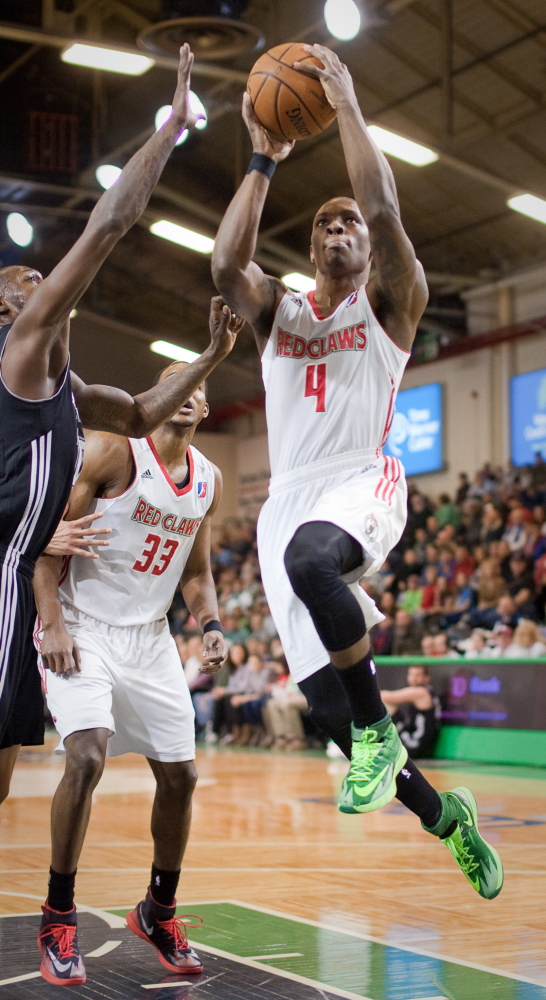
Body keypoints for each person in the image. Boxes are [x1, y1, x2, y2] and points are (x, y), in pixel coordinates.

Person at [212, 44, 502, 900]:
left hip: (360, 478)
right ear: (309, 250)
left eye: (351, 226)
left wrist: (343, 108)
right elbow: (228, 266)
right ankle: (449, 820)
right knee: (334, 720)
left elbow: (380, 199)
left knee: (313, 563)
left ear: (372, 250)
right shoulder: (281, 314)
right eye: (325, 226)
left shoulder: (390, 303)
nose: (341, 230)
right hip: (285, 507)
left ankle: (379, 732)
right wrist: (262, 159)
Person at [0, 45, 233, 789]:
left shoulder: (66, 388)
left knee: (2, 775)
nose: (39, 285)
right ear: (8, 312)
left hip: (14, 568)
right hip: (6, 571)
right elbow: (105, 228)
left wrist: (208, 355)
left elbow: (137, 413)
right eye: (24, 283)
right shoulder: (20, 356)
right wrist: (170, 130)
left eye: (41, 279)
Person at [31, 298, 242, 986]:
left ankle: (158, 908)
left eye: (199, 387)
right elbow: (44, 541)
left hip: (151, 639)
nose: (188, 396)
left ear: (203, 407)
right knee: (86, 757)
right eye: (177, 383)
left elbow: (199, 571)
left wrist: (209, 625)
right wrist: (53, 623)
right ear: (160, 398)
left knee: (180, 775)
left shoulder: (207, 480)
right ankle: (58, 915)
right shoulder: (112, 451)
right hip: (84, 625)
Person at [381, 665, 441, 758]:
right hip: (419, 742)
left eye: (418, 675)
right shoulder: (427, 691)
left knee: (386, 705)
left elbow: (385, 696)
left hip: (416, 745)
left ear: (426, 678)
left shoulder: (421, 692)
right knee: (389, 706)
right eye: (411, 674)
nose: (414, 678)